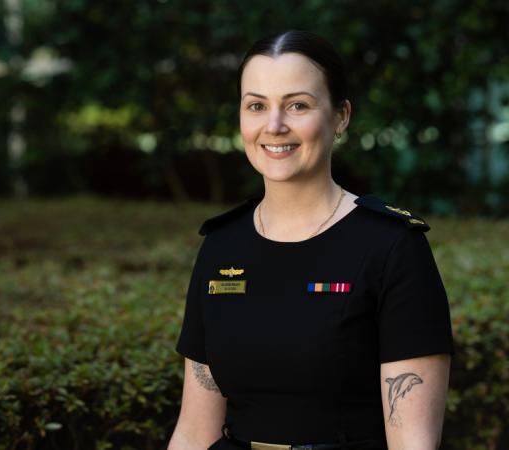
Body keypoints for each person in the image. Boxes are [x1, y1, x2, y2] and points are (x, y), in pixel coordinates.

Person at [167, 30, 454, 450]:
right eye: (256, 106)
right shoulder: (221, 246)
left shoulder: (392, 247)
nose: (274, 125)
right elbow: (194, 431)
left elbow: (413, 443)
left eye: (297, 105)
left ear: (340, 116)